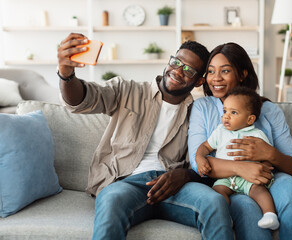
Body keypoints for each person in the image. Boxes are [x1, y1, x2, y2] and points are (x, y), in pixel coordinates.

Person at [57, 33, 234, 240]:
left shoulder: (197, 111)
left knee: (215, 203)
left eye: (188, 70)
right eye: (176, 62)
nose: (177, 71)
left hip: (174, 187)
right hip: (125, 184)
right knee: (112, 200)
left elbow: (202, 161)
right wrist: (66, 74)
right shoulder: (127, 90)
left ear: (198, 81)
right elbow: (82, 99)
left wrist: (184, 176)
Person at [188, 42, 292, 239]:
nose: (216, 78)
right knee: (246, 206)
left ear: (242, 74)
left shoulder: (268, 110)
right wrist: (242, 168)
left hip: (267, 178)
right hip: (228, 182)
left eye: (225, 71)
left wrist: (269, 154)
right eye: (211, 71)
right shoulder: (202, 108)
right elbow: (198, 163)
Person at [196, 86, 279, 230]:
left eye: (233, 112)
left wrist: (265, 166)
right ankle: (225, 217)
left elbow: (267, 155)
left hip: (249, 178)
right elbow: (205, 146)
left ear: (250, 119)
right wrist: (200, 157)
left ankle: (270, 215)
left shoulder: (257, 134)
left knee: (260, 191)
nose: (226, 116)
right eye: (225, 111)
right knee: (217, 193)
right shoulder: (220, 131)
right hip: (226, 177)